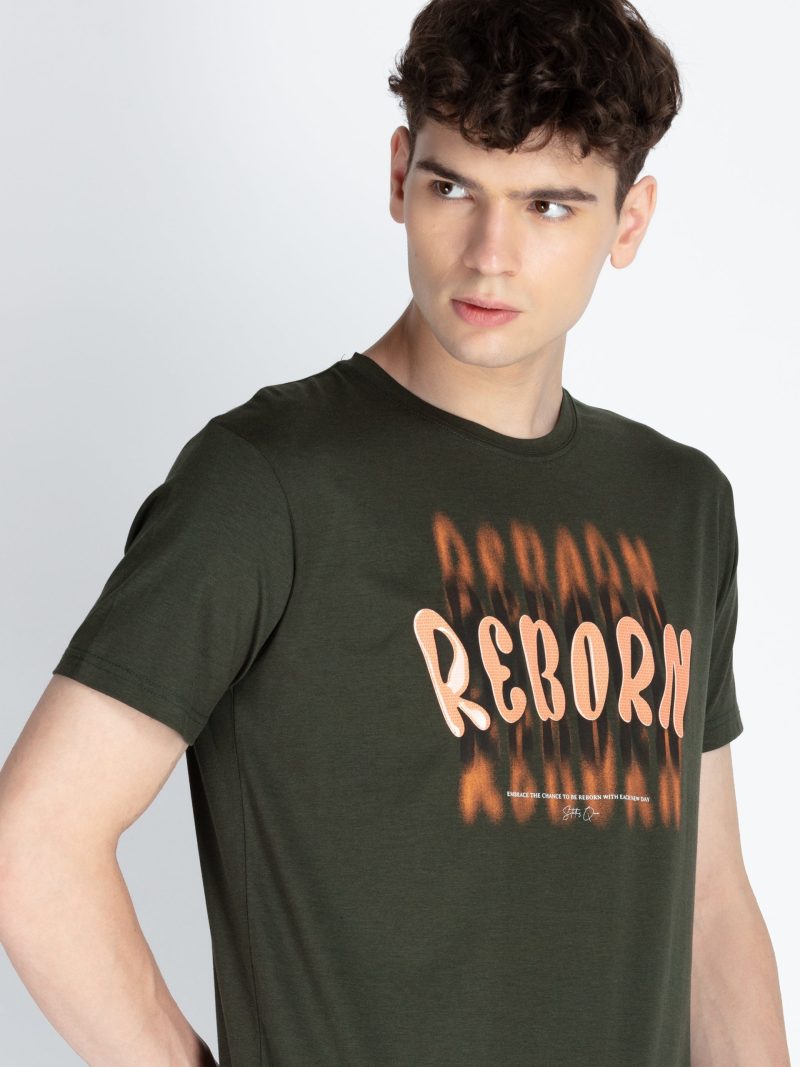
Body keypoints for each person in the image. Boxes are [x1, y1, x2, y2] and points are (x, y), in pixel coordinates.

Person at [0, 0, 791, 1064]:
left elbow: (710, 905)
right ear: (396, 177)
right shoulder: (268, 483)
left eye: (549, 205)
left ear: (629, 221)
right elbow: (35, 842)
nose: (489, 255)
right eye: (452, 188)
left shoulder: (678, 503)